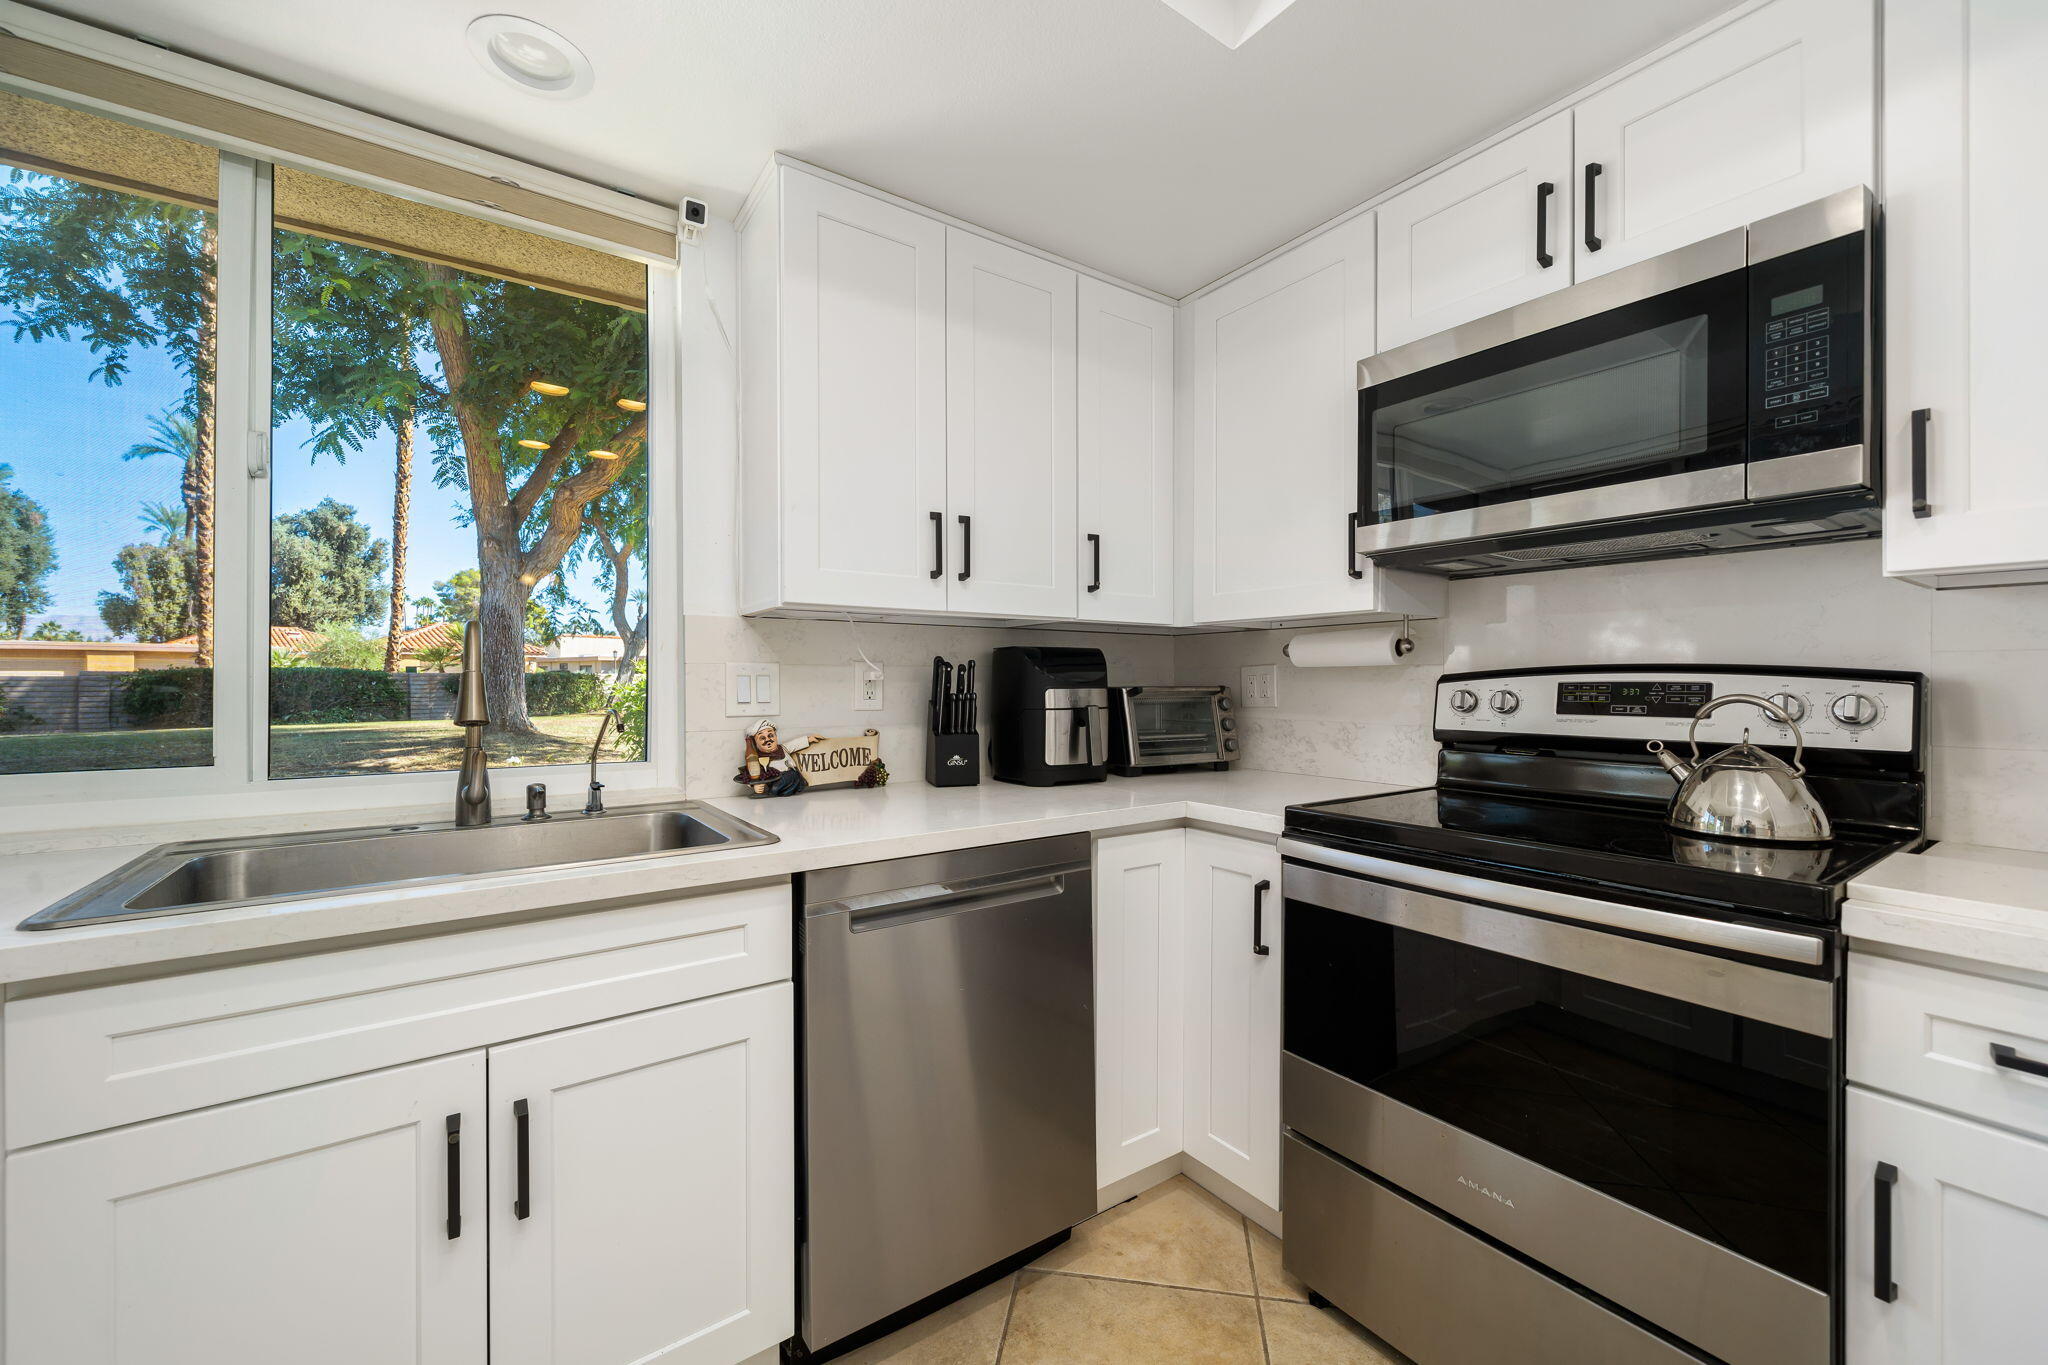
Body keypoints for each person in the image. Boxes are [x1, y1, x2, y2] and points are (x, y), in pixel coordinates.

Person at [735, 721, 821, 797]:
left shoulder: (783, 748)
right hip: (778, 783)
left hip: (795, 778)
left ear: (776, 736)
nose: (768, 740)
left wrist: (808, 739)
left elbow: (795, 744)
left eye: (770, 735)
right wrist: (755, 786)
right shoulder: (757, 757)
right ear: (755, 742)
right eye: (762, 738)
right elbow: (752, 773)